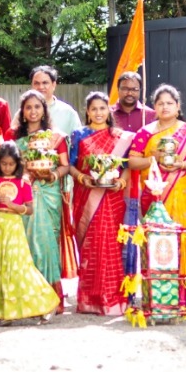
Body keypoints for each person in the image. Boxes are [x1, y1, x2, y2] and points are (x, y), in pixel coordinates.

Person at [126, 86, 186, 281]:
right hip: (155, 195)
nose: (165, 107)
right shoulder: (145, 133)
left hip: (184, 192)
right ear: (154, 107)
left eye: (170, 103)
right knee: (158, 237)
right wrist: (153, 159)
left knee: (183, 234)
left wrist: (181, 164)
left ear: (178, 106)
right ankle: (159, 286)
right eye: (160, 103)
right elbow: (133, 162)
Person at [70, 93, 131, 316]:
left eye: (102, 108)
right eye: (93, 108)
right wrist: (82, 178)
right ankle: (89, 300)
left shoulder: (121, 137)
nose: (98, 113)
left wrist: (122, 180)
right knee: (89, 245)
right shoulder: (78, 135)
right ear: (87, 111)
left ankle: (113, 299)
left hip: (112, 196)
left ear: (109, 110)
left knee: (111, 244)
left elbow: (128, 164)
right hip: (86, 195)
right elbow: (70, 165)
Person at [0, 144, 61, 324]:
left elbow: (29, 210)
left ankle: (46, 303)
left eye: (11, 164)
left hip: (13, 226)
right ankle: (5, 311)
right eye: (3, 164)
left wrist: (13, 206)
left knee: (18, 267)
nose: (7, 168)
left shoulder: (23, 183)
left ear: (18, 164)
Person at [10, 90, 72, 303]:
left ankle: (51, 297)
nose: (33, 111)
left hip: (48, 194)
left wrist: (52, 175)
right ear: (23, 112)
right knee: (25, 242)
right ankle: (27, 298)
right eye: (28, 107)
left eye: (37, 107)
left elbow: (65, 166)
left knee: (47, 243)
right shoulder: (14, 137)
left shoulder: (57, 137)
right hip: (24, 195)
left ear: (44, 110)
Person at [29, 65, 81, 136]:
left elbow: (78, 142)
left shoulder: (68, 113)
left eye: (45, 83)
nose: (41, 87)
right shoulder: (24, 113)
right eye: (36, 83)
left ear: (53, 85)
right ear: (32, 86)